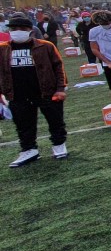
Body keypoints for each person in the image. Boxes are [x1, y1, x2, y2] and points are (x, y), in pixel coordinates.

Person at [2, 15, 68, 167]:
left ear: (30, 30)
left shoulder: (46, 46)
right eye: (14, 29)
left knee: (55, 120)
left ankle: (59, 145)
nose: (17, 31)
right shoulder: (3, 48)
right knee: (23, 125)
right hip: (17, 94)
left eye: (22, 29)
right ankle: (29, 150)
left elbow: (58, 67)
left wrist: (60, 89)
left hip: (46, 91)